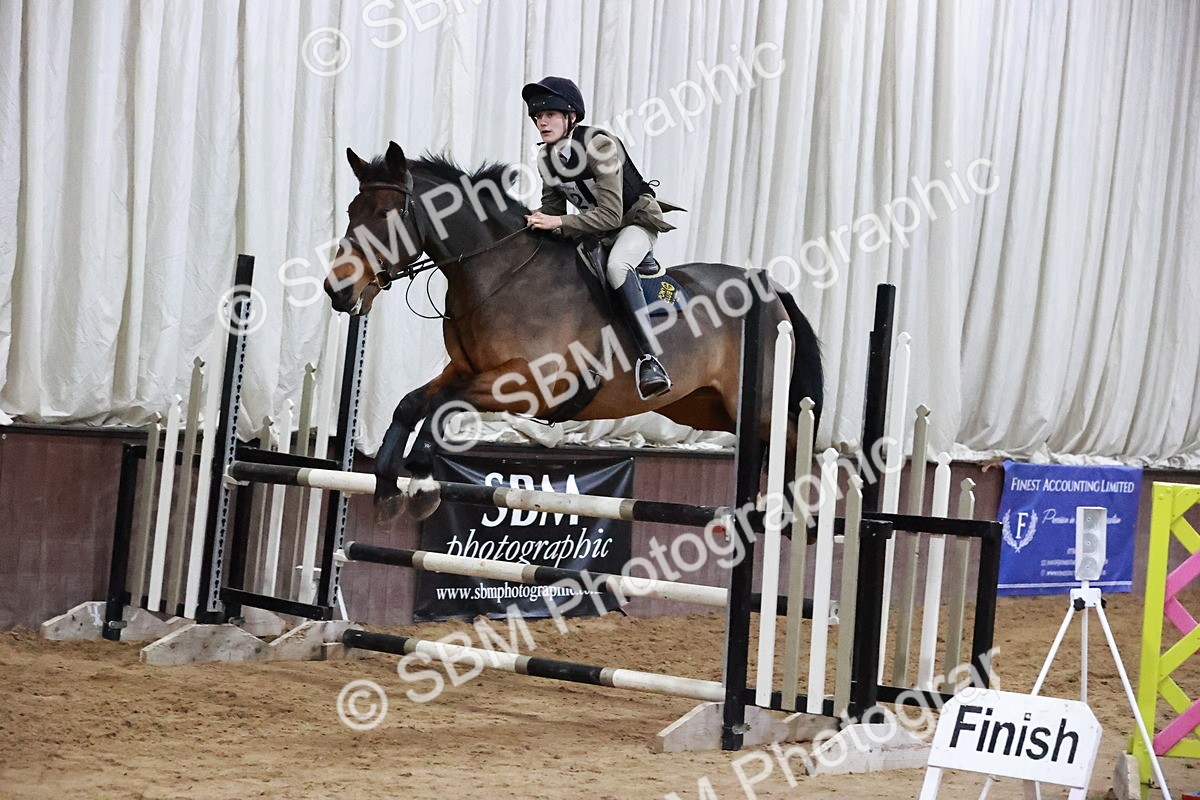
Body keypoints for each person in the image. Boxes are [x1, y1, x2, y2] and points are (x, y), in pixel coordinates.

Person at [522, 76, 677, 400]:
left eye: (549, 114)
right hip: (594, 231)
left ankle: (651, 361)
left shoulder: (600, 145)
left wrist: (557, 221)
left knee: (617, 267)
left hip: (632, 223)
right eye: (537, 116)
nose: (541, 122)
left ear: (571, 117)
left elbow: (609, 215)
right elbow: (552, 207)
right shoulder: (545, 158)